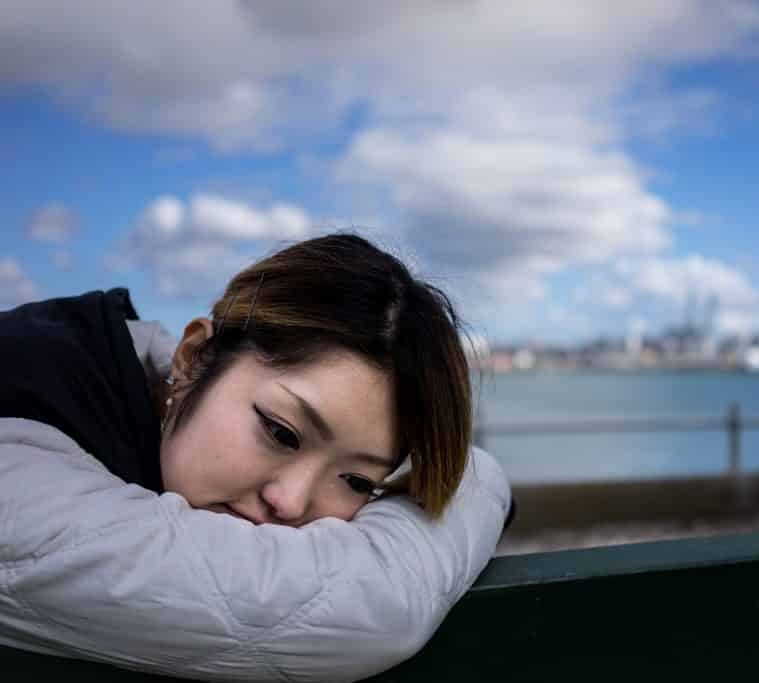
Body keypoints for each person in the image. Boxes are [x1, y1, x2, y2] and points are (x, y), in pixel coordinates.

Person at [0, 232, 512, 681]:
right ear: (194, 357)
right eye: (281, 433)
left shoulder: (119, 384)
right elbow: (369, 611)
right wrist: (477, 479)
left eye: (356, 481)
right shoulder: (19, 416)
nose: (289, 503)